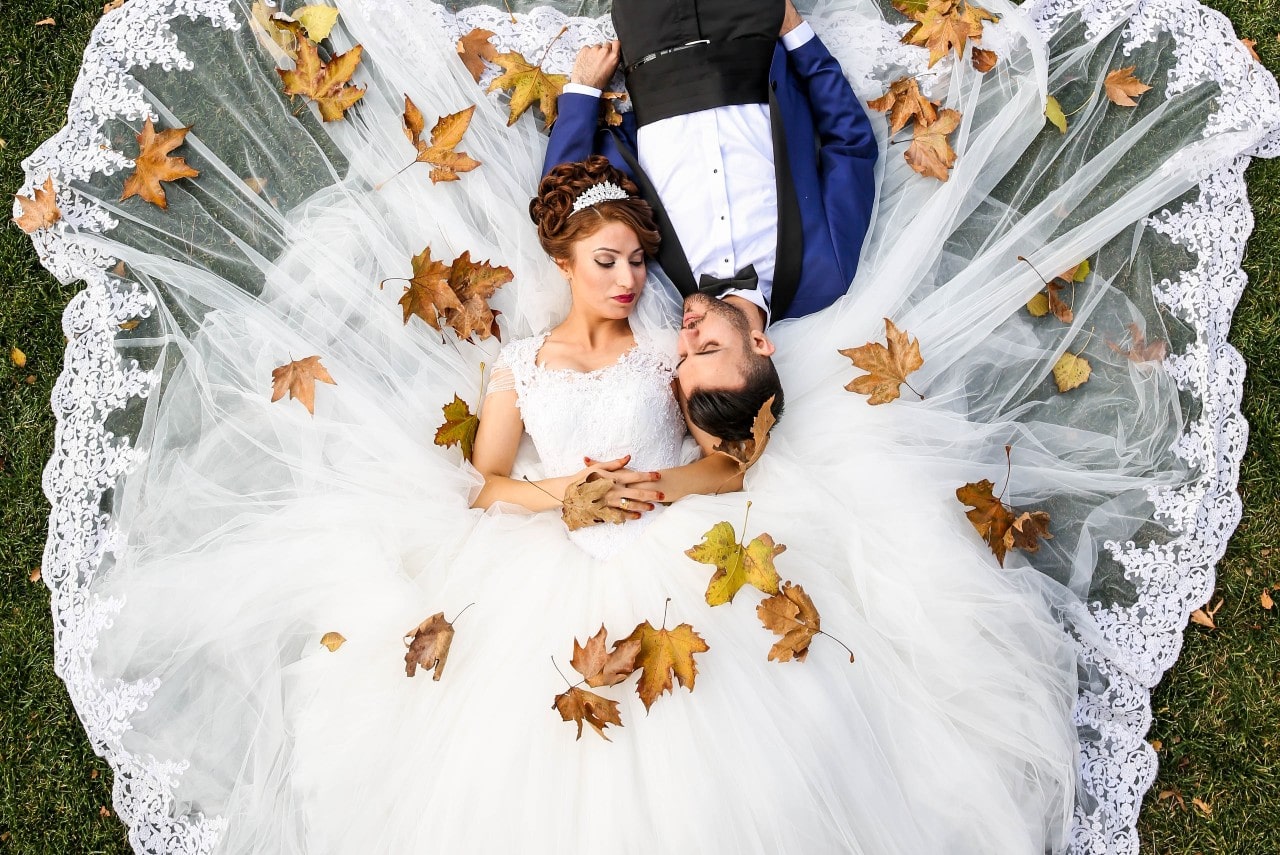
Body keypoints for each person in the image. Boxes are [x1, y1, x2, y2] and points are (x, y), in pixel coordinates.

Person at [18, 0, 1279, 852]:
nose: (644, 297)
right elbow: (492, 485)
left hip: (649, 517)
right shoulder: (553, 347)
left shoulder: (660, 317)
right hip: (562, 547)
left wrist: (642, 488)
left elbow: (695, 438)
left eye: (637, 279)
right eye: (619, 273)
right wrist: (570, 502)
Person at [544, 0, 879, 442]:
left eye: (684, 358)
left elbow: (570, 209)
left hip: (651, 44)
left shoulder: (649, 286)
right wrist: (797, 35)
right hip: (749, 33)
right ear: (760, 345)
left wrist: (583, 94)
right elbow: (850, 145)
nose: (687, 338)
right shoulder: (826, 275)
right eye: (709, 347)